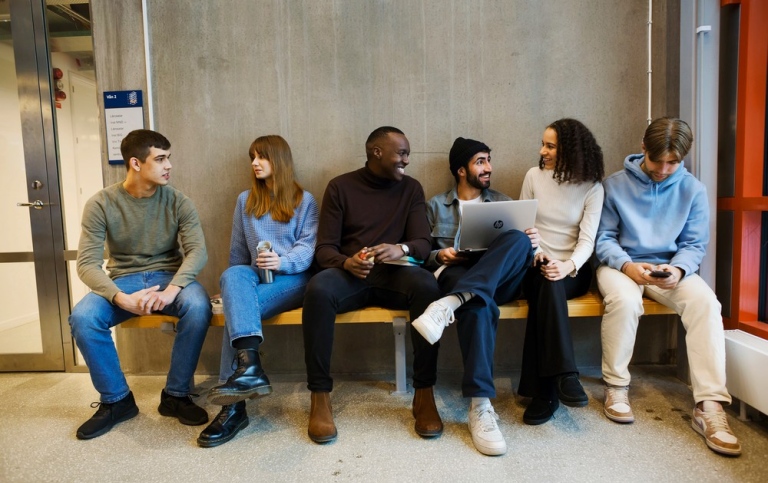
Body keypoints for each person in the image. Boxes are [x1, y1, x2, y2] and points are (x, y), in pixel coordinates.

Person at [596, 117, 741, 456]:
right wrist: (627, 265)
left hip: (668, 267)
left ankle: (710, 407)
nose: (663, 169)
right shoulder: (615, 185)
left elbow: (694, 243)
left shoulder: (693, 189)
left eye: (673, 162)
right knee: (625, 300)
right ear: (643, 148)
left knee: (706, 303)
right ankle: (616, 386)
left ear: (682, 158)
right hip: (621, 264)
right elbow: (603, 238)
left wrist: (678, 268)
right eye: (657, 160)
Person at [302, 126, 443, 444]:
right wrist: (345, 262)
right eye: (402, 153)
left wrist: (401, 248)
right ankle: (320, 397)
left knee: (426, 287)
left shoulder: (411, 189)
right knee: (319, 289)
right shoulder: (340, 187)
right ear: (377, 152)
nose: (406, 160)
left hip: (395, 275)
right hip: (352, 275)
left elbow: (423, 242)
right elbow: (324, 249)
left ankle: (424, 393)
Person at [69, 129, 211, 440]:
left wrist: (174, 288)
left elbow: (198, 251)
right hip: (122, 280)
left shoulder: (178, 201)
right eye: (160, 159)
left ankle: (176, 395)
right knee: (83, 318)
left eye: (168, 158)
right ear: (135, 163)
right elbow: (87, 264)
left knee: (199, 306)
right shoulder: (101, 203)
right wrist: (121, 298)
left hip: (168, 278)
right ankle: (117, 400)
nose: (168, 165)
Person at [411, 137, 539, 456]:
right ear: (461, 169)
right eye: (480, 161)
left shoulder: (504, 204)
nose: (488, 167)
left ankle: (449, 304)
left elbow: (519, 254)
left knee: (518, 241)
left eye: (488, 160)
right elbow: (420, 252)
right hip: (456, 274)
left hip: (500, 280)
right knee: (478, 307)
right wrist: (442, 255)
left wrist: (531, 241)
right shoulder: (435, 206)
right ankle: (480, 405)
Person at [197, 135, 319, 448]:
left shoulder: (304, 201)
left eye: (261, 157)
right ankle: (249, 368)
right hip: (253, 277)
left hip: (295, 279)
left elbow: (309, 249)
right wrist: (229, 286)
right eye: (252, 157)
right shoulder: (245, 201)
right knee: (234, 277)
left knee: (238, 313)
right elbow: (238, 250)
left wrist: (283, 260)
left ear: (279, 160)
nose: (254, 163)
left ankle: (233, 408)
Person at [517, 119, 604, 425]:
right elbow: (523, 227)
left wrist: (566, 266)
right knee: (545, 280)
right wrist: (540, 255)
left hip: (573, 270)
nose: (543, 151)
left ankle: (544, 393)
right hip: (534, 263)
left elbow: (588, 240)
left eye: (550, 145)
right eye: (543, 144)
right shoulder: (533, 176)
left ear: (569, 148)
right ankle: (564, 375)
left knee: (550, 284)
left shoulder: (592, 187)